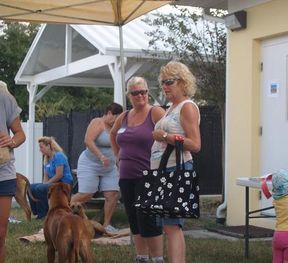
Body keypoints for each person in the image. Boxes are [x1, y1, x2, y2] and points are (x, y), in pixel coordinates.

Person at [151, 61, 201, 263]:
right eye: (162, 82)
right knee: (167, 226)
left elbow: (195, 144)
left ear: (182, 82)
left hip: (176, 168)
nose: (165, 86)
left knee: (172, 225)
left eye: (169, 81)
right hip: (164, 169)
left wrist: (163, 136)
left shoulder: (187, 107)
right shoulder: (173, 107)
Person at [110, 76, 165, 263]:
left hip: (148, 176)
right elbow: (112, 134)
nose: (140, 95)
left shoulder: (155, 112)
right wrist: (118, 156)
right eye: (135, 92)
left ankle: (157, 258)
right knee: (134, 220)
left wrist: (161, 163)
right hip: (126, 176)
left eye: (143, 91)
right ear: (129, 95)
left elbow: (170, 135)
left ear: (148, 92)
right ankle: (141, 257)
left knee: (148, 220)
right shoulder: (124, 116)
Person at [71, 102, 123, 235]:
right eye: (116, 117)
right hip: (90, 163)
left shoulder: (118, 127)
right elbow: (88, 141)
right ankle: (61, 216)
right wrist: (100, 156)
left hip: (110, 167)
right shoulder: (97, 122)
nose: (117, 121)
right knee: (86, 194)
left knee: (112, 195)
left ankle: (106, 225)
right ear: (110, 113)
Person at [0, 81, 26, 263]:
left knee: (0, 233)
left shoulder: (4, 97)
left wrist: (12, 141)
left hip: (3, 173)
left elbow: (20, 134)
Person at [29, 136, 73, 219]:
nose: (40, 150)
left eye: (41, 147)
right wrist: (44, 184)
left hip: (63, 183)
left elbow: (59, 174)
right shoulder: (46, 158)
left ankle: (44, 214)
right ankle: (37, 212)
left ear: (48, 146)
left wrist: (46, 184)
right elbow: (46, 175)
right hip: (54, 183)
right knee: (31, 187)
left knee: (40, 188)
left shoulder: (58, 156)